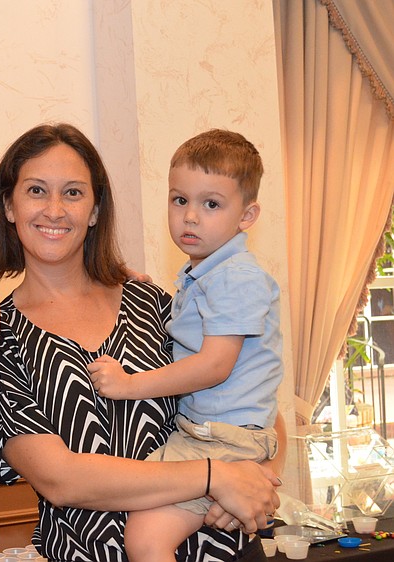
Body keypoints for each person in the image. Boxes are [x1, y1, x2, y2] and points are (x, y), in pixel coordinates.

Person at [0, 123, 284, 562]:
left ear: (96, 210)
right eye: (37, 191)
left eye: (74, 193)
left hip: (222, 548)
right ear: (9, 205)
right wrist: (217, 477)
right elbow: (63, 480)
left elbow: (252, 393)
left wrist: (259, 481)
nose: (55, 210)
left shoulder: (153, 303)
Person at [88, 129, 282, 562]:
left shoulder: (238, 277)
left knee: (146, 540)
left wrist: (127, 384)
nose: (190, 216)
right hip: (208, 435)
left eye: (211, 204)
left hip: (222, 441)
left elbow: (214, 365)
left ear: (247, 216)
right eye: (180, 200)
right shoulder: (204, 276)